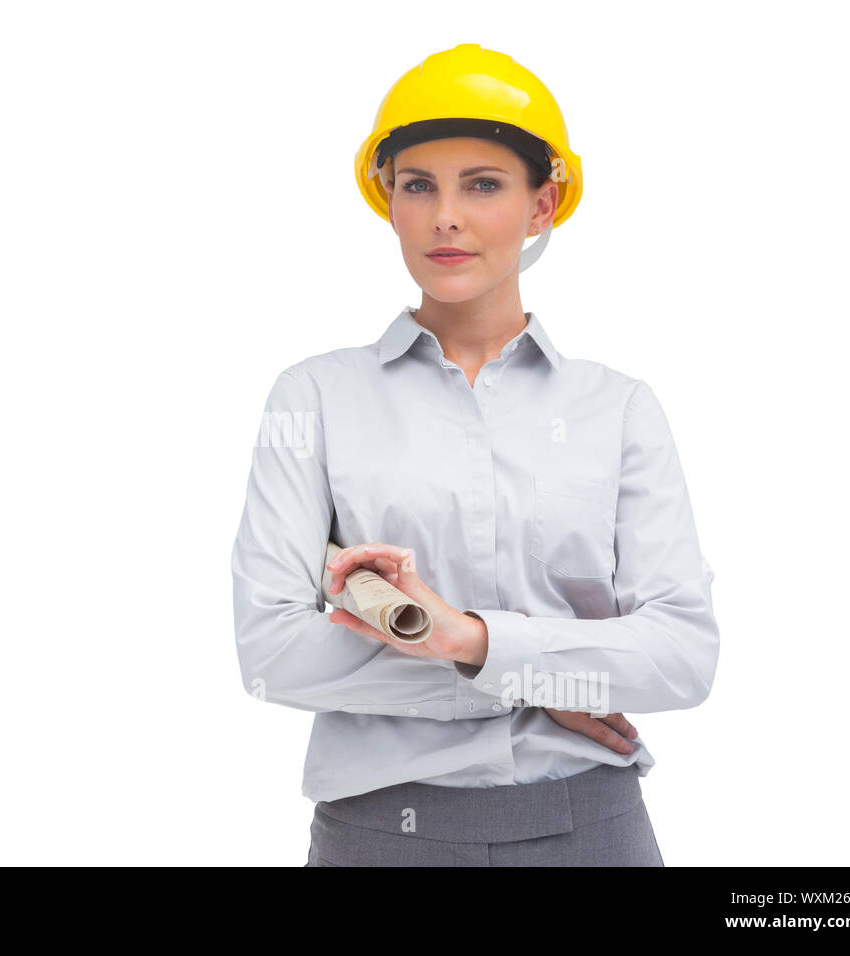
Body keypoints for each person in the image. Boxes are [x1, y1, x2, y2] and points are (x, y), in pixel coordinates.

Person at [230, 43, 719, 866]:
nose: (444, 216)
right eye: (418, 184)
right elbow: (273, 656)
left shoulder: (619, 409)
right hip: (379, 836)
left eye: (483, 184)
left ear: (543, 205)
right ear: (389, 202)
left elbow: (681, 659)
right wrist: (535, 676)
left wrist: (469, 641)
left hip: (592, 833)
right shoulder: (314, 399)